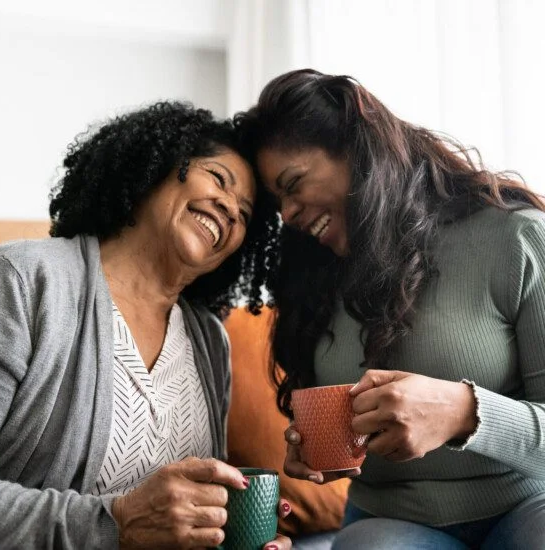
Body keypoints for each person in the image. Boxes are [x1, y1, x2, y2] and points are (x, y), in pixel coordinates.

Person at [0, 101, 292, 549]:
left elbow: (187, 515)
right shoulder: (20, 281)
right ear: (156, 167)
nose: (228, 208)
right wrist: (115, 522)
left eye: (244, 215)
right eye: (218, 179)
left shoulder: (209, 341)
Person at [234, 69, 545, 548]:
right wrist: (317, 448)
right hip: (392, 522)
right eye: (278, 204)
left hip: (527, 508)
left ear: (357, 146)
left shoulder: (515, 238)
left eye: (293, 184)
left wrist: (465, 412)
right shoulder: (313, 278)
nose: (288, 214)